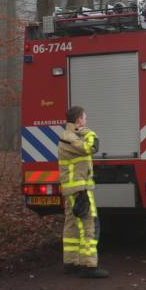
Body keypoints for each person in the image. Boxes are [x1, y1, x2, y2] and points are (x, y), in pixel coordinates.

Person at [59, 106, 108, 278]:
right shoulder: (70, 137)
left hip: (75, 188)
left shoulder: (70, 136)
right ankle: (89, 265)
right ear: (79, 119)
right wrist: (89, 132)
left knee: (72, 224)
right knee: (89, 224)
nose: (86, 121)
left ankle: (71, 262)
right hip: (79, 189)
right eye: (84, 119)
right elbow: (91, 148)